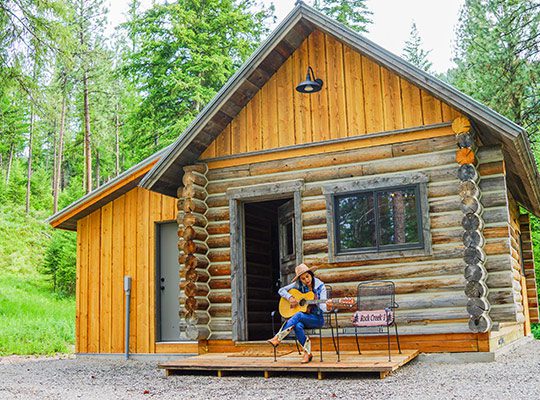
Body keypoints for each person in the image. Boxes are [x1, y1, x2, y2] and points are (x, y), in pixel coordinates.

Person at [267, 263, 331, 363]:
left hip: (317, 319)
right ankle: (307, 353)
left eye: (307, 276)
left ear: (311, 275)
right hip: (303, 318)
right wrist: (290, 297)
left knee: (298, 315)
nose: (306, 280)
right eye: (303, 278)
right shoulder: (298, 285)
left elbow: (324, 307)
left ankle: (278, 337)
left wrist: (328, 306)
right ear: (300, 279)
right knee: (297, 325)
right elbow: (281, 290)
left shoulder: (320, 287)